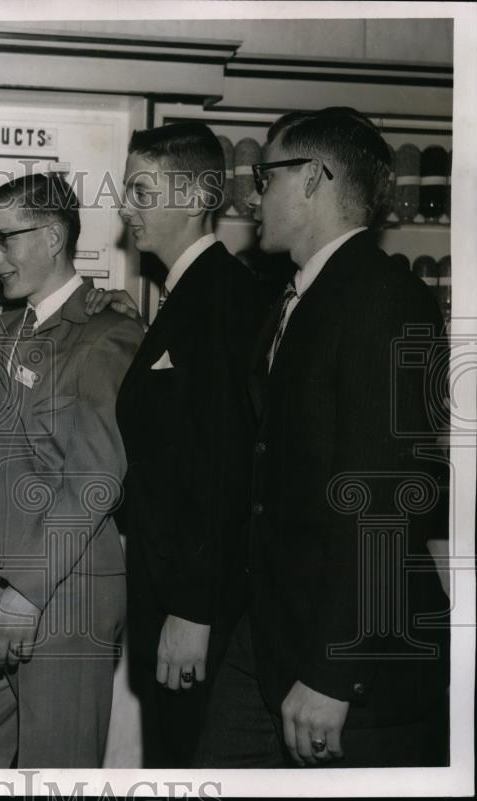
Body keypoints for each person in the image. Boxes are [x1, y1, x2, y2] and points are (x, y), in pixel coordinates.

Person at [195, 107, 449, 767]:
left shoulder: (382, 299)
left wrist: (339, 669)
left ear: (313, 178)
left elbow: (386, 497)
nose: (254, 195)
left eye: (267, 176)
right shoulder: (298, 294)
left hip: (352, 665)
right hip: (273, 629)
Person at [0, 173, 143, 768]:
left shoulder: (106, 334)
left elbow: (95, 482)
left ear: (53, 237)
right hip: (13, 585)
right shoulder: (12, 329)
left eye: (3, 240)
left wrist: (27, 594)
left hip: (67, 593)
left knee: (58, 773)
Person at [85, 122, 269, 767]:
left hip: (195, 611)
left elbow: (221, 470)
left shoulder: (221, 299)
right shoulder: (186, 295)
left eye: (140, 190)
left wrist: (193, 612)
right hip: (168, 595)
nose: (124, 206)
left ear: (196, 197)